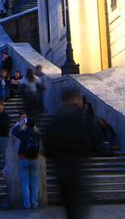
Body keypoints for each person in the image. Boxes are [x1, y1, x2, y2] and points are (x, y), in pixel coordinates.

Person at [44, 88, 91, 219]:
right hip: (76, 167)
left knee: (69, 207)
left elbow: (46, 144)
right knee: (78, 207)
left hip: (60, 170)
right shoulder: (78, 116)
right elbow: (91, 137)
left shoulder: (55, 119)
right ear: (76, 99)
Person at [12, 117, 42, 209]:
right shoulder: (37, 134)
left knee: (25, 182)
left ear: (27, 125)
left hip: (24, 158)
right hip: (35, 159)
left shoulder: (24, 133)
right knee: (35, 182)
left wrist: (20, 124)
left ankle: (27, 204)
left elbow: (14, 131)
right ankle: (34, 203)